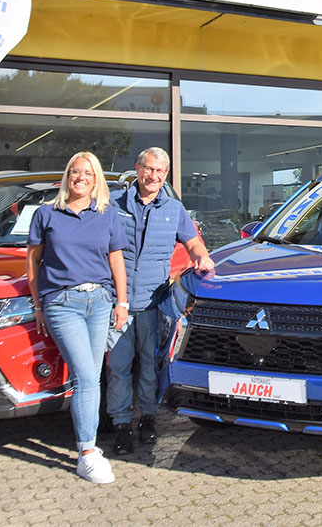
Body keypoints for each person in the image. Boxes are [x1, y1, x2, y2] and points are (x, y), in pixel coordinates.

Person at [26, 151, 128, 484]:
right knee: (85, 375)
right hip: (62, 302)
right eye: (75, 171)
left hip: (99, 301)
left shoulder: (108, 215)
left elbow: (116, 262)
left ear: (96, 179)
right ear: (67, 176)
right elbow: (32, 264)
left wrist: (121, 302)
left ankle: (89, 445)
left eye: (87, 173)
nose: (80, 177)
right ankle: (87, 454)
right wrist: (39, 305)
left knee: (92, 374)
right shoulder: (46, 214)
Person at [106, 147, 214, 455]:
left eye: (160, 172)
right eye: (149, 169)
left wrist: (202, 258)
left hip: (155, 302)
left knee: (152, 365)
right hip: (120, 302)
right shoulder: (113, 205)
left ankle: (149, 420)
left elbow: (192, 242)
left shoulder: (174, 209)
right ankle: (122, 425)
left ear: (165, 175)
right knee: (118, 367)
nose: (153, 176)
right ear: (138, 169)